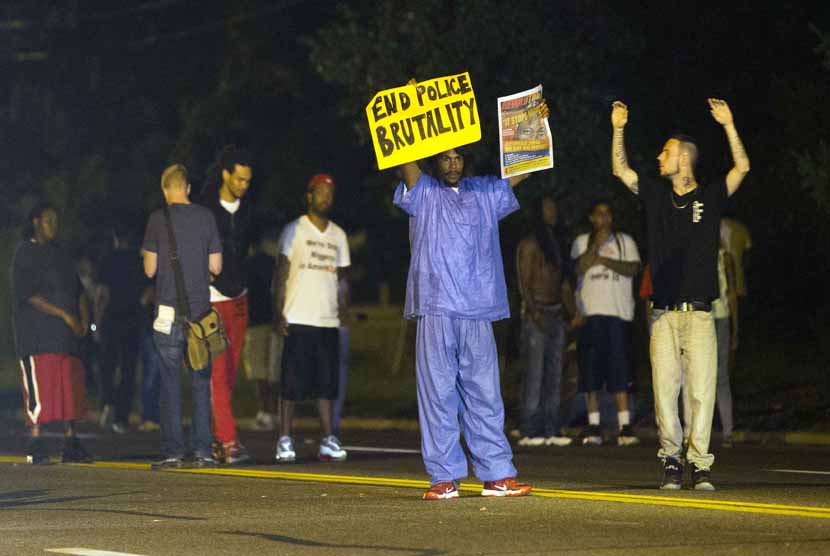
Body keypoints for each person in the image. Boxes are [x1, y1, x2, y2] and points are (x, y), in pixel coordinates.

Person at [392, 99, 550, 501]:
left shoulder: (484, 193)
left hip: (478, 308)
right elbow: (405, 163)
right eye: (444, 157)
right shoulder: (422, 193)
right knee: (438, 394)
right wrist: (413, 117)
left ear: (466, 160)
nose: (452, 163)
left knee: (485, 394)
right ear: (435, 162)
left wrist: (535, 126)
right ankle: (443, 477)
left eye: (457, 156)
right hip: (436, 306)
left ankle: (497, 473)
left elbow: (522, 171)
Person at [611, 98, 750, 490]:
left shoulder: (710, 196)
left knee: (702, 391)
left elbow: (743, 167)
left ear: (684, 160)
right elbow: (621, 170)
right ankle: (671, 460)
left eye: (666, 152)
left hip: (702, 313)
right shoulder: (656, 195)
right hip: (663, 315)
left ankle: (700, 464)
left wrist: (729, 123)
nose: (659, 156)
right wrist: (618, 127)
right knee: (664, 393)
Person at [142, 164, 223, 469]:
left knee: (170, 382)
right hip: (200, 314)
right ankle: (203, 450)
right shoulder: (206, 217)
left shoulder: (156, 220)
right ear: (187, 187)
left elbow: (149, 270)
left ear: (165, 190)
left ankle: (173, 452)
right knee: (201, 383)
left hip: (166, 313)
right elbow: (217, 266)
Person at [273, 173, 351, 463]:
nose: (325, 197)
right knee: (291, 384)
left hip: (327, 320)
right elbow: (281, 272)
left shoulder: (339, 235)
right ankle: (284, 439)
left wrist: (344, 309)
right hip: (298, 316)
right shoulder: (295, 230)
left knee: (326, 385)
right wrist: (278, 311)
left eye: (330, 192)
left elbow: (343, 278)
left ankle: (328, 439)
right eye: (320, 192)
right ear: (309, 195)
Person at [10, 202, 93, 464]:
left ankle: (71, 440)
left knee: (69, 389)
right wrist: (65, 315)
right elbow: (28, 295)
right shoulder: (25, 253)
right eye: (48, 220)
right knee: (40, 391)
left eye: (56, 220)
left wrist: (82, 319)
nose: (53, 225)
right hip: (37, 336)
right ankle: (37, 440)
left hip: (65, 338)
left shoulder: (61, 254)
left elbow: (79, 291)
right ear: (36, 221)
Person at [198, 145, 254, 465]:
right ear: (225, 174)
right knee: (217, 373)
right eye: (240, 179)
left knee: (231, 372)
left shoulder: (247, 210)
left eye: (248, 181)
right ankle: (229, 442)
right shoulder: (206, 210)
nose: (244, 186)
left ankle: (216, 436)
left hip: (240, 297)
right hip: (214, 299)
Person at [571, 201, 641, 447]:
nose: (604, 217)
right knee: (591, 373)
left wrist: (604, 260)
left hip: (617, 316)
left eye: (607, 213)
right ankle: (593, 424)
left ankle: (625, 425)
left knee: (619, 371)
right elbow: (579, 267)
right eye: (599, 213)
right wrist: (596, 248)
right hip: (590, 316)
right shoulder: (582, 241)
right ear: (592, 218)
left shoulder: (625, 241)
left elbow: (632, 268)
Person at [515, 194, 577, 447]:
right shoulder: (530, 244)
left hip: (556, 313)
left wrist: (573, 312)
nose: (552, 210)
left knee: (554, 375)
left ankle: (550, 428)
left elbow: (562, 283)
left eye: (554, 206)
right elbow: (524, 282)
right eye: (547, 207)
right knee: (535, 374)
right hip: (537, 311)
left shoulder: (556, 244)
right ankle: (529, 428)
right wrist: (532, 311)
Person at [682, 241, 738, 448]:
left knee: (721, 375)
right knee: (694, 374)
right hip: (697, 316)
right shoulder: (692, 252)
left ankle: (727, 431)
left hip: (720, 318)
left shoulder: (724, 256)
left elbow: (731, 295)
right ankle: (695, 430)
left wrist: (735, 329)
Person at [96, 223, 145, 433]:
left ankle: (107, 404)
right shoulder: (139, 261)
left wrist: (97, 323)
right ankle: (122, 417)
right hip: (132, 320)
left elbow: (101, 295)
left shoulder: (107, 259)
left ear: (115, 236)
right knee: (128, 369)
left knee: (107, 366)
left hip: (111, 319)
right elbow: (148, 293)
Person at [242, 230, 281, 431]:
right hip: (275, 320)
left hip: (256, 321)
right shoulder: (273, 262)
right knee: (274, 371)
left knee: (259, 372)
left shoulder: (246, 264)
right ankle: (275, 413)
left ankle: (266, 412)